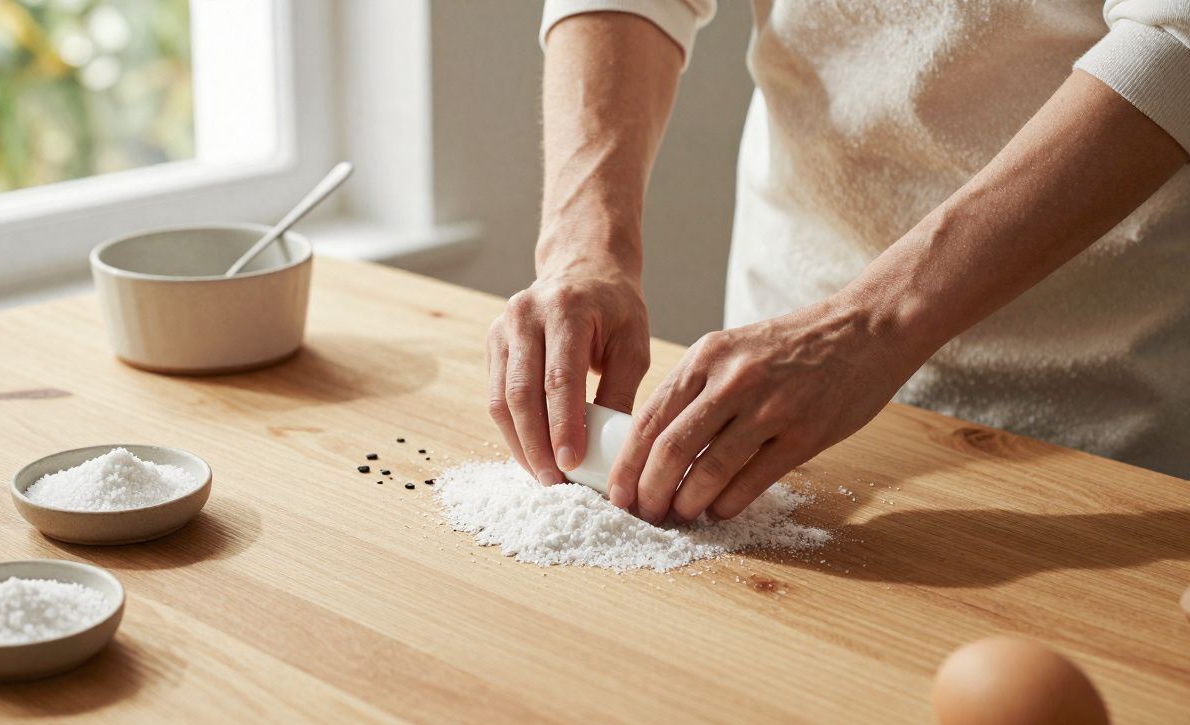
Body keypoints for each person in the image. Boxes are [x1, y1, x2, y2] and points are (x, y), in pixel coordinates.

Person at [485, 0, 1190, 526]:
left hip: (1102, 399)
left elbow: (1175, 40)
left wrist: (871, 325)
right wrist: (584, 245)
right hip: (775, 381)